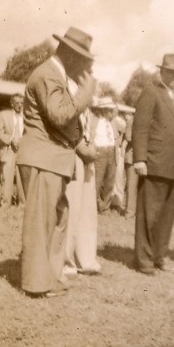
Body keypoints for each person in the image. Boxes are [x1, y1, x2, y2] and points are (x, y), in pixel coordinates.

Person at [16, 26, 97, 298]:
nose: (87, 69)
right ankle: (37, 284)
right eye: (85, 62)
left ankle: (49, 277)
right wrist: (84, 96)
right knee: (42, 224)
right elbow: (60, 116)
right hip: (43, 160)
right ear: (71, 56)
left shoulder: (56, 75)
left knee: (57, 220)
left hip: (52, 161)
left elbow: (63, 123)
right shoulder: (48, 75)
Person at [132, 53, 174, 275]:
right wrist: (139, 159)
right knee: (149, 214)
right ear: (162, 72)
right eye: (170, 72)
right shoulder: (151, 92)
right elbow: (140, 127)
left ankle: (158, 256)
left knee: (167, 215)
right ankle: (144, 260)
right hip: (154, 163)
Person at [63, 104, 101, 277]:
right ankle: (66, 260)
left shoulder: (88, 109)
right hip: (73, 156)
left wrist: (91, 147)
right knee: (71, 209)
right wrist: (82, 148)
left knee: (87, 211)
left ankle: (85, 259)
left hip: (86, 157)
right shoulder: (67, 98)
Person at [0, 93, 26, 206]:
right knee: (6, 177)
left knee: (23, 177)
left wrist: (24, 141)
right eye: (17, 103)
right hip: (8, 149)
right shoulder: (3, 114)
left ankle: (23, 204)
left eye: (22, 103)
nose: (20, 105)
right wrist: (11, 140)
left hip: (23, 149)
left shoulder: (27, 116)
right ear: (11, 103)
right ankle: (5, 204)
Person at [91, 97, 118, 213]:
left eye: (111, 110)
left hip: (111, 151)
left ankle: (105, 207)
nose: (111, 112)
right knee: (97, 181)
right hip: (100, 152)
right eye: (109, 110)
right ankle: (92, 207)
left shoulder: (113, 123)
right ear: (103, 110)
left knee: (110, 181)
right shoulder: (95, 121)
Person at [123, 112, 137, 217]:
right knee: (131, 185)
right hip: (132, 157)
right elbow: (128, 137)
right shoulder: (131, 120)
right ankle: (130, 211)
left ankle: (137, 211)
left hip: (144, 158)